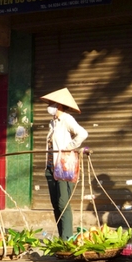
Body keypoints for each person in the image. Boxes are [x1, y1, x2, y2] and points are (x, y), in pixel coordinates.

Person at [41, 88, 89, 241]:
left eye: (52, 104)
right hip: (50, 167)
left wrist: (68, 148)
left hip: (63, 168)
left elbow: (83, 133)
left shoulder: (67, 119)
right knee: (56, 204)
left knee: (63, 203)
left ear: (59, 105)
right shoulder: (53, 122)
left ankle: (67, 237)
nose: (49, 106)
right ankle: (62, 237)